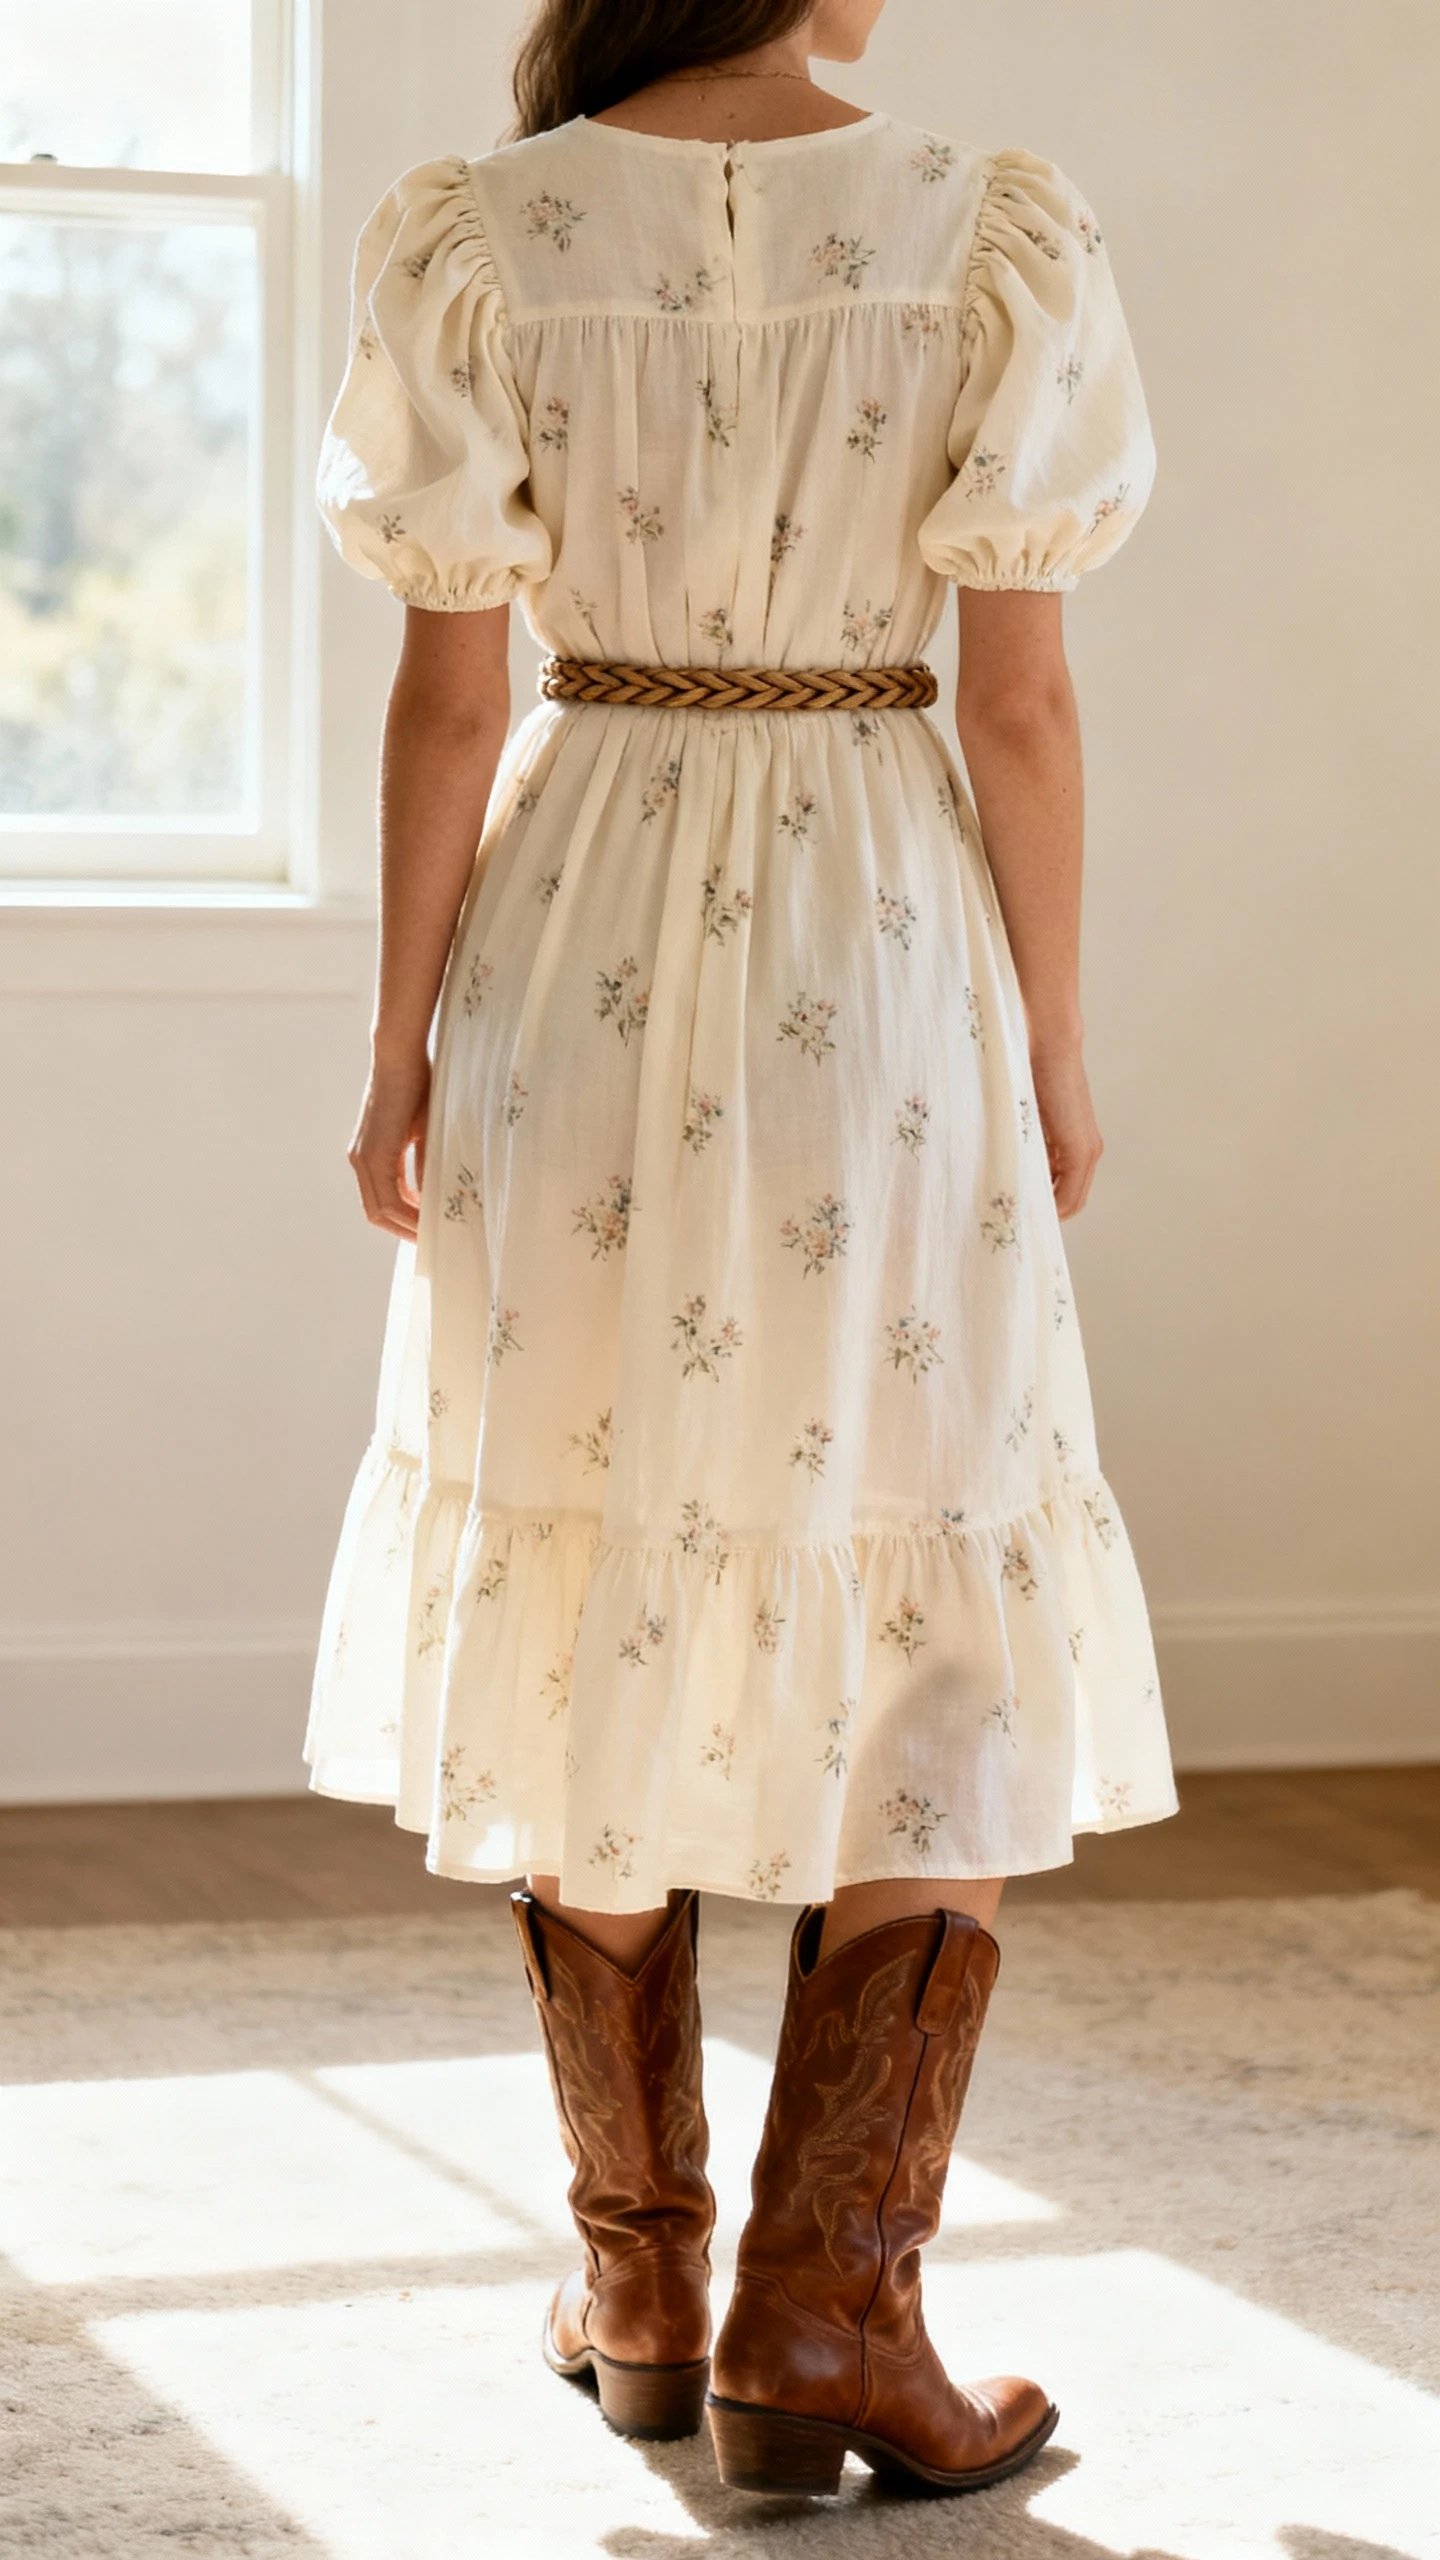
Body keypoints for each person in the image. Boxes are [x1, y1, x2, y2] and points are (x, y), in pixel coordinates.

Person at [307, 0, 1178, 2499]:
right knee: (932, 1559)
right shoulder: (986, 227)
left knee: (579, 1538)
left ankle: (642, 2274)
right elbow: (1018, 707)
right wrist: (1059, 1032)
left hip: (575, 921)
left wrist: (398, 1047)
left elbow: (446, 709)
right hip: (882, 945)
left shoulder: (481, 232)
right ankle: (830, 2309)